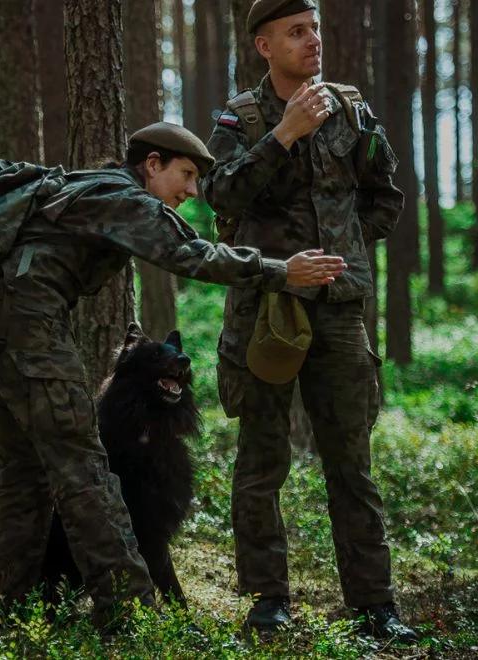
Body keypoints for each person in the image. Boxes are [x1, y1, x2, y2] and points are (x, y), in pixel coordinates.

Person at [0, 122, 347, 630]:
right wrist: (280, 270)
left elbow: (22, 268)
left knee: (24, 471)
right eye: (186, 174)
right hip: (18, 323)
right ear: (151, 165)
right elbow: (191, 254)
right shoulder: (125, 197)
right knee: (83, 467)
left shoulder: (81, 186)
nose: (192, 191)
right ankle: (129, 611)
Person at [201, 0, 415, 642]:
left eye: (315, 28)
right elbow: (220, 195)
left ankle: (375, 606)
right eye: (297, 32)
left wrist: (347, 254)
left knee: (352, 463)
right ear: (265, 46)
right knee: (261, 461)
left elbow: (387, 192)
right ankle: (268, 599)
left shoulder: (351, 109)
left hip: (341, 312)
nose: (313, 41)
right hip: (266, 308)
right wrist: (283, 134)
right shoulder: (238, 118)